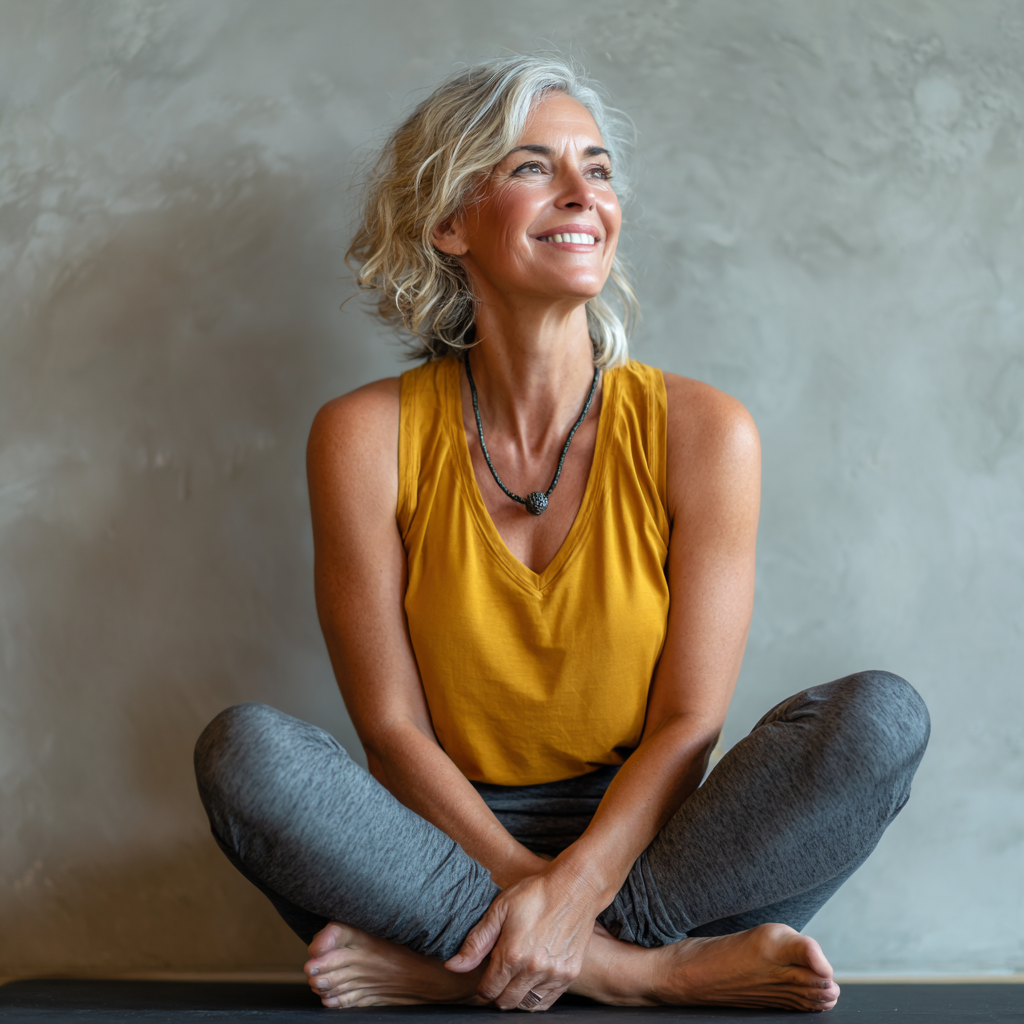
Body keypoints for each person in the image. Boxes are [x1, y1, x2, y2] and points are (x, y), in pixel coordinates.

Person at [194, 54, 929, 1013]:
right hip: (435, 848)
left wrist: (576, 890)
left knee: (881, 720)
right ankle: (645, 975)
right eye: (533, 166)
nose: (585, 193)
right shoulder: (363, 436)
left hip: (661, 847)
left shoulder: (704, 432)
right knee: (245, 752)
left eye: (599, 168)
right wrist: (528, 896)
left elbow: (688, 725)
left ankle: (455, 974)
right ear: (449, 223)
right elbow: (391, 731)